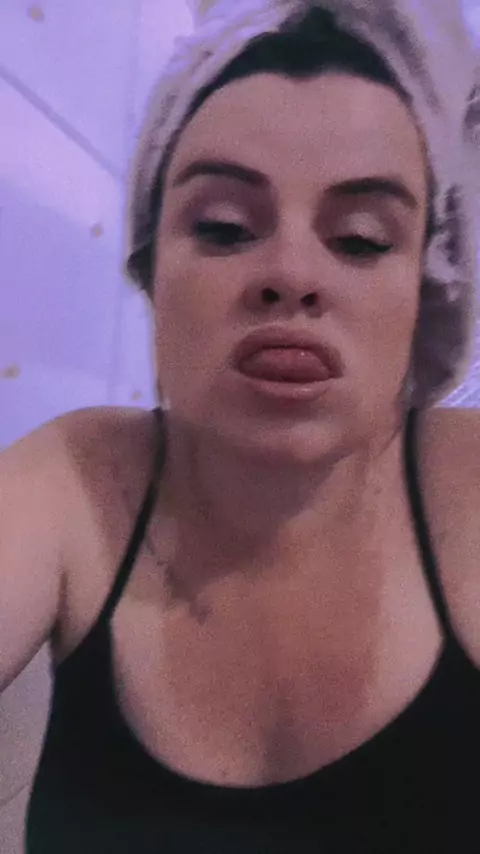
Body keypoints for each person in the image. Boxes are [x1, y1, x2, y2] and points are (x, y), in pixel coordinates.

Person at [1, 1, 479, 851]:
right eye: (223, 228)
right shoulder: (78, 476)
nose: (291, 273)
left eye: (361, 239)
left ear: (426, 293)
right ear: (151, 269)